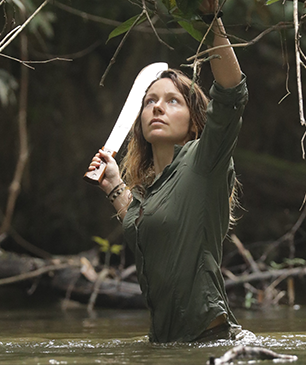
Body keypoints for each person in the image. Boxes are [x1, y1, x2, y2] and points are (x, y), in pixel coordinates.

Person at [86, 0, 247, 343]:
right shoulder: (147, 190)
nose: (157, 106)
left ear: (193, 121)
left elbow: (232, 95)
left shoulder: (205, 162)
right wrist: (115, 185)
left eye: (172, 100)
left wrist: (211, 21)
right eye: (149, 101)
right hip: (166, 342)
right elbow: (145, 227)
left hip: (210, 340)